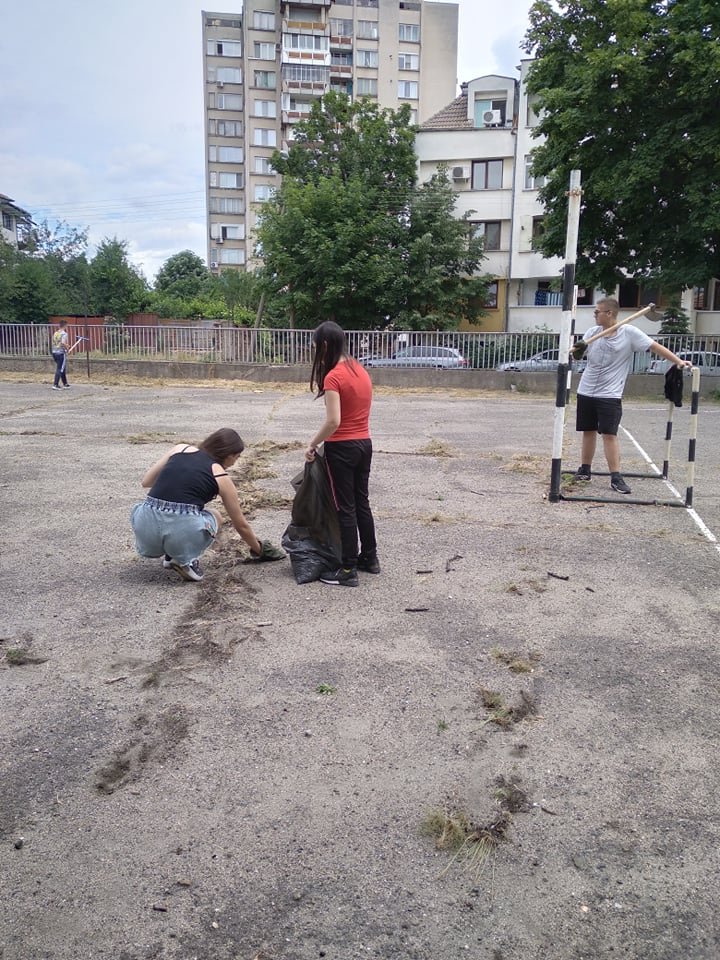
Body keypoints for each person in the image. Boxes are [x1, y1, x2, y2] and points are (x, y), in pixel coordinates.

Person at [131, 427, 283, 582]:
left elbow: (146, 482)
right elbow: (241, 525)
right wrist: (260, 550)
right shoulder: (220, 475)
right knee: (215, 516)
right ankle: (187, 560)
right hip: (181, 532)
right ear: (229, 455)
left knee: (169, 514)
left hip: (146, 531)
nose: (234, 463)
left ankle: (171, 555)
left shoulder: (180, 449)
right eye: (236, 457)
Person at [573, 298, 692, 494]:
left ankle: (616, 477)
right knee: (588, 431)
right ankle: (585, 470)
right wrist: (577, 352)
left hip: (609, 393)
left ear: (609, 313)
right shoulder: (592, 333)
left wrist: (678, 361)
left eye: (597, 312)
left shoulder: (629, 333)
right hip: (586, 390)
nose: (594, 315)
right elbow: (577, 356)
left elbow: (654, 347)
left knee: (609, 434)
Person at [305, 321, 378, 587]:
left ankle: (348, 569)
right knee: (361, 503)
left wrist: (313, 444)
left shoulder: (334, 376)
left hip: (342, 449)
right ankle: (369, 558)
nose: (316, 353)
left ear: (325, 345)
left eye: (316, 348)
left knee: (345, 508)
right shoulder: (360, 369)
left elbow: (333, 421)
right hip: (364, 444)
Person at [51, 319, 71, 389]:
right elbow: (62, 343)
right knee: (60, 368)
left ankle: (65, 383)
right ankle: (55, 384)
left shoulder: (55, 333)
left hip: (54, 352)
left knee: (62, 368)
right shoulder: (64, 334)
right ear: (65, 326)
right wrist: (67, 347)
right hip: (60, 353)